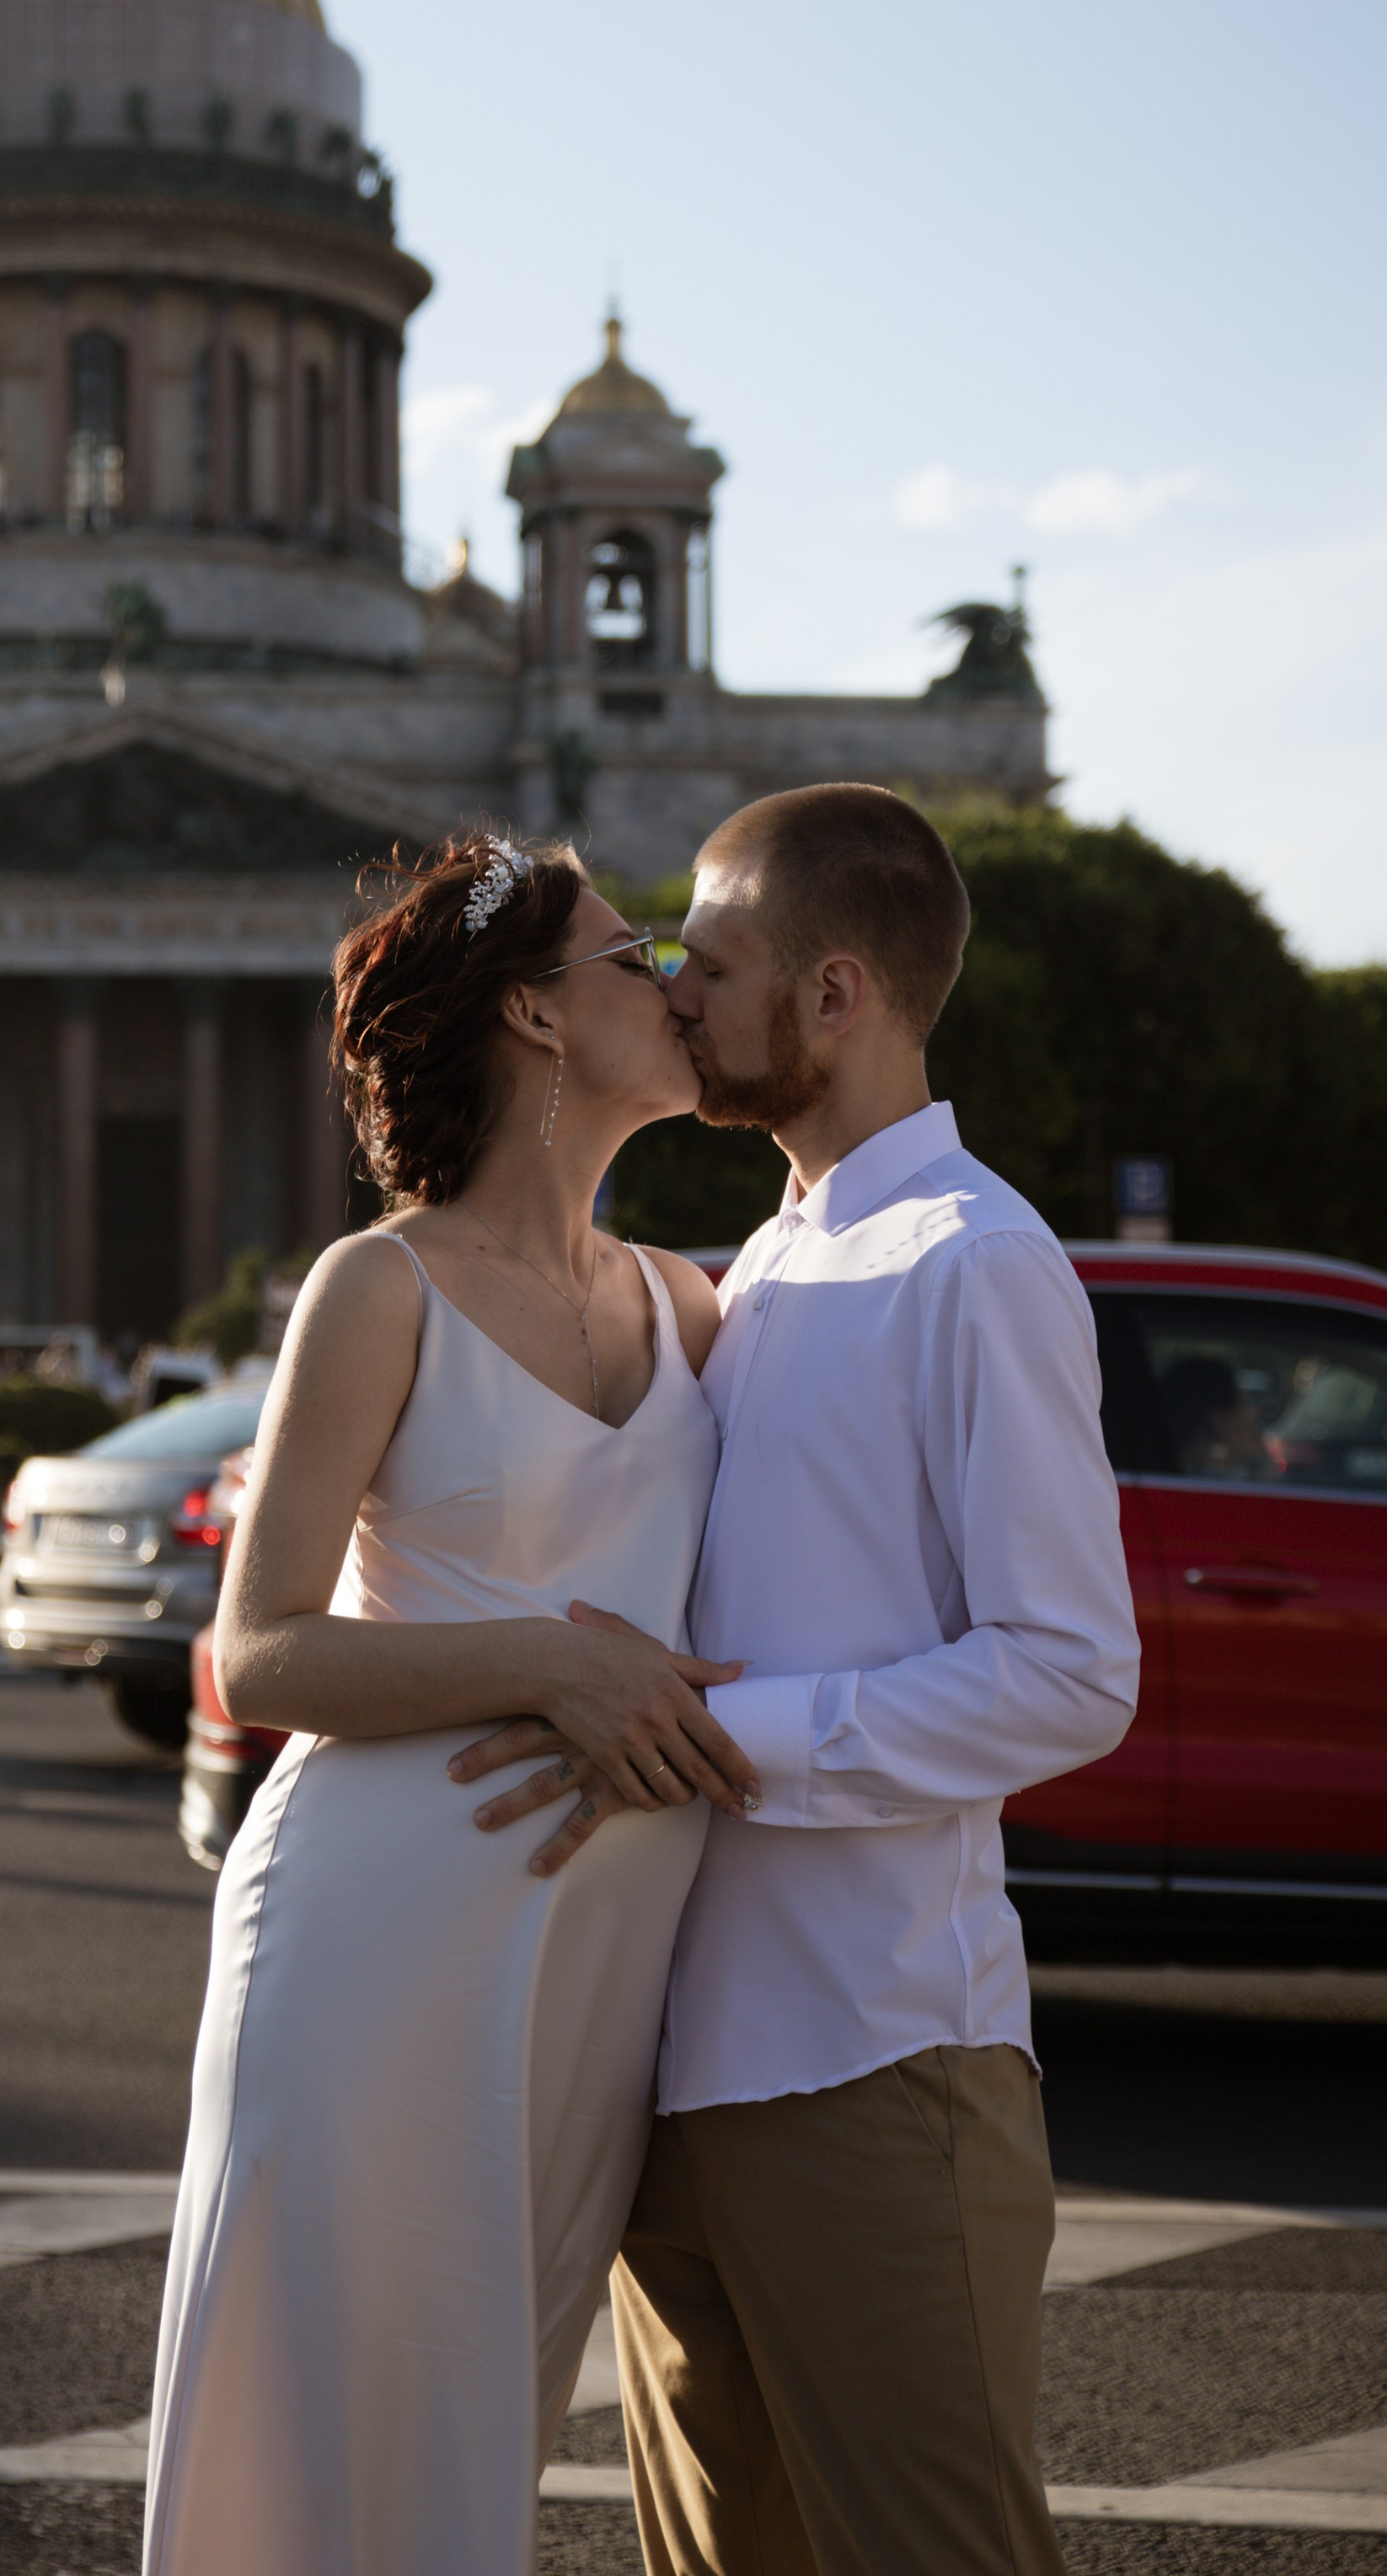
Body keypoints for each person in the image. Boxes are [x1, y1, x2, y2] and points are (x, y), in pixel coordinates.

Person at [456, 784, 1141, 2576]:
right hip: (671, 2062)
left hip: (870, 2058)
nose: (673, 991)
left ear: (834, 996)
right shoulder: (758, 1262)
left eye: (713, 960)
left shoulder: (977, 1262)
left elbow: (1069, 1672)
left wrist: (712, 1738)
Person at [143, 834, 754, 2576]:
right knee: (328, 2447)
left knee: (475, 2445)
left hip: (591, 1970)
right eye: (634, 955)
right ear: (533, 1014)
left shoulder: (692, 1302)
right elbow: (256, 1650)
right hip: (371, 1933)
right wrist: (554, 1660)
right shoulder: (377, 1284)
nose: (676, 984)